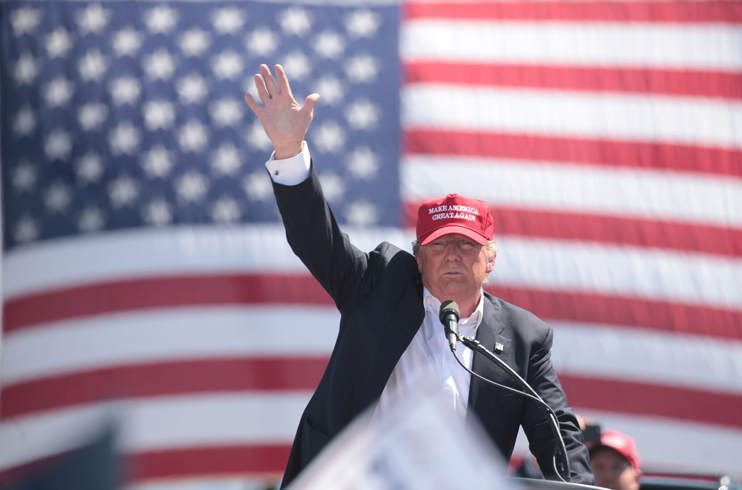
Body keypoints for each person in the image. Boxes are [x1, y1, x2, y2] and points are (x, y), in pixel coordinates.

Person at [244, 64, 594, 487]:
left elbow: (555, 431)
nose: (452, 256)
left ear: (491, 259)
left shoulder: (524, 338)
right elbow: (316, 239)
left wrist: (579, 486)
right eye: (439, 245)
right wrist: (289, 150)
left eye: (466, 245)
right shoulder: (376, 285)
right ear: (417, 257)